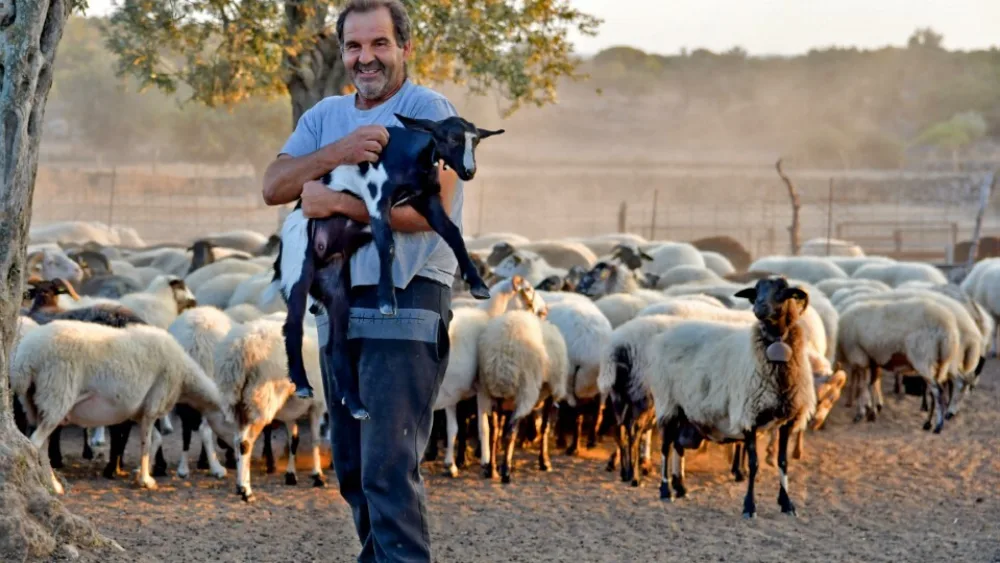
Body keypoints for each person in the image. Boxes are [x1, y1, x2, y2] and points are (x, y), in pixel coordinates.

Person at [261, 0, 461, 560]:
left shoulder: (428, 109)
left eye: (378, 44)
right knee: (352, 469)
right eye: (354, 46)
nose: (365, 58)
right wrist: (340, 151)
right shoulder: (324, 116)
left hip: (407, 300)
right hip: (341, 308)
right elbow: (275, 184)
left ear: (404, 48)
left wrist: (338, 202)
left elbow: (433, 209)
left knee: (386, 471)